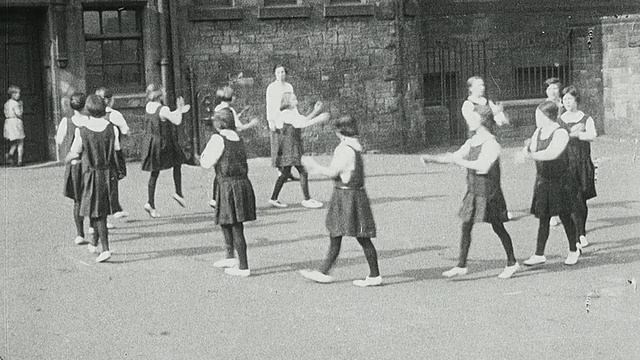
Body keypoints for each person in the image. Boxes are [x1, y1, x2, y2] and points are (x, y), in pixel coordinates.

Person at [422, 76, 518, 279]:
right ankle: (461, 264)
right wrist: (432, 159)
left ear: (481, 121)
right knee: (466, 223)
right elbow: (455, 156)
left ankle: (512, 262)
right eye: (479, 84)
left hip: (487, 184)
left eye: (474, 119)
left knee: (497, 225)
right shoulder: (472, 137)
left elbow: (482, 166)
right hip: (474, 185)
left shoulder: (491, 142)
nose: (469, 121)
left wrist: (500, 114)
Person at [299, 116, 381, 287]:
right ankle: (326, 271)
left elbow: (333, 171)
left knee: (339, 233)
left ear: (339, 132)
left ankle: (326, 271)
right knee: (359, 236)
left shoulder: (343, 149)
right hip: (357, 195)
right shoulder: (355, 146)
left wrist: (314, 167)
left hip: (345, 196)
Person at [523, 101, 581, 266]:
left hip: (560, 180)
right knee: (544, 216)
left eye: (539, 115)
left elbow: (552, 153)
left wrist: (530, 155)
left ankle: (573, 249)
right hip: (543, 180)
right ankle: (539, 254)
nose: (536, 118)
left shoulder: (560, 132)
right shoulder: (539, 131)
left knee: (564, 215)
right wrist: (525, 151)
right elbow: (533, 148)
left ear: (548, 116)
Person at [199, 108, 256, 277]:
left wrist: (202, 156)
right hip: (241, 182)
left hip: (227, 184)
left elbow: (207, 162)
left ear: (219, 123)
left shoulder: (218, 139)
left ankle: (243, 266)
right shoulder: (237, 137)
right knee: (226, 219)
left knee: (235, 224)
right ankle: (230, 256)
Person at [65, 95, 121, 263]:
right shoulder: (112, 129)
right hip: (108, 174)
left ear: (87, 110)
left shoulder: (81, 130)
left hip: (90, 174)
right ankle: (94, 243)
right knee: (100, 208)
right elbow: (117, 150)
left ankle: (105, 249)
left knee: (97, 214)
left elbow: (75, 152)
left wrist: (67, 159)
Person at [269, 92, 329, 209]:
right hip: (290, 146)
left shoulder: (292, 112)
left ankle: (274, 198)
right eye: (293, 99)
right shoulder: (286, 113)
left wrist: (315, 111)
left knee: (285, 173)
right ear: (287, 102)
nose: (296, 100)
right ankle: (307, 199)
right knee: (302, 171)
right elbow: (301, 124)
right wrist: (319, 118)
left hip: (290, 146)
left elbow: (303, 119)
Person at [140, 84, 191, 217]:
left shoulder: (149, 107)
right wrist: (180, 109)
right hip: (164, 142)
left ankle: (150, 202)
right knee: (178, 162)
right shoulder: (163, 108)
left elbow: (166, 116)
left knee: (154, 172)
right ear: (159, 95)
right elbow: (177, 121)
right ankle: (178, 193)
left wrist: (178, 110)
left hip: (151, 143)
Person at [208, 86, 260, 208]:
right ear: (230, 98)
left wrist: (240, 114)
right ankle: (223, 199)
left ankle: (215, 198)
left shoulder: (218, 108)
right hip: (229, 142)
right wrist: (251, 124)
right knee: (230, 172)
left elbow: (228, 121)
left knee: (219, 170)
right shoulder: (229, 110)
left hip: (219, 139)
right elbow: (238, 127)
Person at [559, 85, 597, 248]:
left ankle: (581, 232)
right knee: (572, 200)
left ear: (576, 100)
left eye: (570, 98)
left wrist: (579, 134)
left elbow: (593, 135)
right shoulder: (560, 119)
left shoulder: (585, 118)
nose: (567, 102)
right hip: (566, 163)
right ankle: (576, 235)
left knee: (581, 200)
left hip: (582, 162)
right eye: (564, 99)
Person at [56, 92, 89, 245]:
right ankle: (94, 227)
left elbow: (59, 139)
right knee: (92, 197)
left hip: (75, 164)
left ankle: (80, 233)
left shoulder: (67, 121)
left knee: (77, 200)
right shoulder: (91, 121)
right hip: (90, 165)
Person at [95, 87, 130, 219]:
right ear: (109, 100)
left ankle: (114, 208)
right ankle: (111, 211)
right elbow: (125, 131)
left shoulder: (90, 115)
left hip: (95, 153)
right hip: (112, 152)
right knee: (112, 181)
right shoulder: (114, 115)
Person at [266, 64, 298, 181]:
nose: (281, 75)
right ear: (275, 74)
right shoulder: (271, 88)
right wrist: (271, 121)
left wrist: (295, 118)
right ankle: (280, 171)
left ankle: (287, 171)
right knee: (278, 146)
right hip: (276, 119)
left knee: (288, 146)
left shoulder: (289, 86)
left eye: (283, 72)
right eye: (278, 72)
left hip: (287, 119)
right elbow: (269, 105)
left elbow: (292, 102)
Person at [544, 77, 565, 228]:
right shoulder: (543, 107)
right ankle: (553, 214)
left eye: (555, 88)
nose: (553, 91)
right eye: (550, 88)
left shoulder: (565, 104)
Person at [3, 85, 25, 166]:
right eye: (16, 93)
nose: (18, 95)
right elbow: (19, 113)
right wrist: (21, 106)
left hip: (8, 122)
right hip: (16, 122)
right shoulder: (16, 103)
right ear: (12, 94)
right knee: (20, 141)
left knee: (14, 141)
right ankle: (20, 160)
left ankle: (10, 154)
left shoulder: (6, 103)